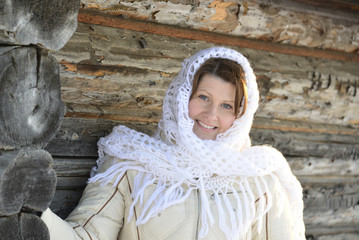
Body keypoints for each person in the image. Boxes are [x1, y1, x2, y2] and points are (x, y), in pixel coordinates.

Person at [41, 46, 306, 240]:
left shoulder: (260, 181)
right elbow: (86, 236)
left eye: (226, 105)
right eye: (203, 97)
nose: (211, 115)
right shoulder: (131, 165)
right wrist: (35, 210)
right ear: (181, 98)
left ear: (240, 114)